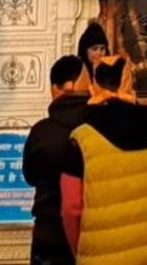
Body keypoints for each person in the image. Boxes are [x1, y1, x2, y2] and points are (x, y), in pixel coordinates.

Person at [59, 55, 147, 265]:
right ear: (128, 82)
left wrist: (81, 250)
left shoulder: (81, 136)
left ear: (95, 85)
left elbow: (71, 207)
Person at [22, 56, 89, 265]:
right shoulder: (98, 130)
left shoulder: (41, 132)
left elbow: (30, 177)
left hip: (48, 235)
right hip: (91, 237)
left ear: (58, 89)